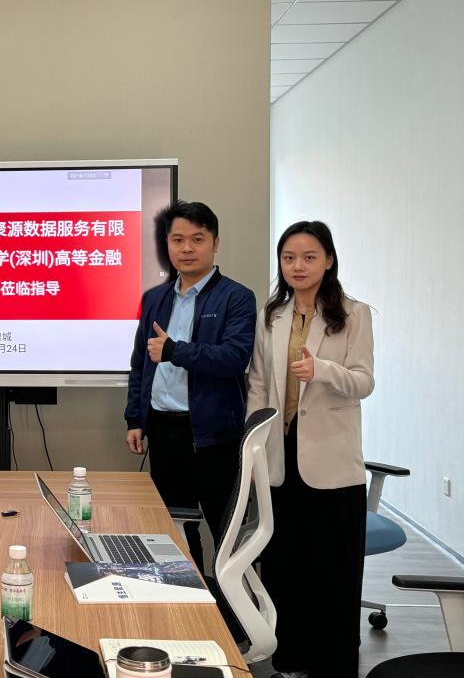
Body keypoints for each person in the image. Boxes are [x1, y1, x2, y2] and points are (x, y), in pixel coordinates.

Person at [246, 221, 374, 678]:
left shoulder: (354, 314)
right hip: (280, 456)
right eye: (289, 258)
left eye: (309, 257)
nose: (297, 266)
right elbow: (258, 386)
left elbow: (364, 382)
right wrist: (252, 452)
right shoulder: (272, 315)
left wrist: (322, 370)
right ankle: (290, 659)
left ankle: (334, 664)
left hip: (331, 463)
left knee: (334, 571)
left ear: (329, 260)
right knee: (285, 565)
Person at [124, 201, 256, 572]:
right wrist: (134, 419)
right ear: (167, 244)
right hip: (164, 431)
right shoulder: (155, 298)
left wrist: (175, 351)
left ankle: (233, 604)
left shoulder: (236, 297)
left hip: (214, 436)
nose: (187, 248)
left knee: (227, 531)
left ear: (215, 243)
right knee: (174, 530)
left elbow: (234, 358)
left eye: (197, 239)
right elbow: (140, 364)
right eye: (178, 239)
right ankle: (187, 596)